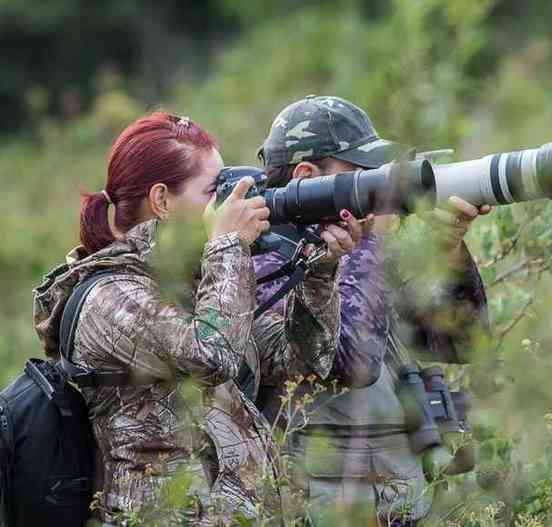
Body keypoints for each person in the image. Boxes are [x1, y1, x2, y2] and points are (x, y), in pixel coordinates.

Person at [32, 112, 363, 525]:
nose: (228, 201)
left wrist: (320, 268)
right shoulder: (108, 297)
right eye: (214, 190)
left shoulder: (188, 281)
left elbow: (299, 360)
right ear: (162, 201)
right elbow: (212, 355)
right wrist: (227, 245)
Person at [253, 95, 490, 526]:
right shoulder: (263, 261)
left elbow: (461, 341)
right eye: (362, 174)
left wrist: (449, 250)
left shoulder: (363, 248)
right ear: (307, 177)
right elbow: (352, 362)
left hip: (398, 501)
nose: (379, 187)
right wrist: (372, 246)